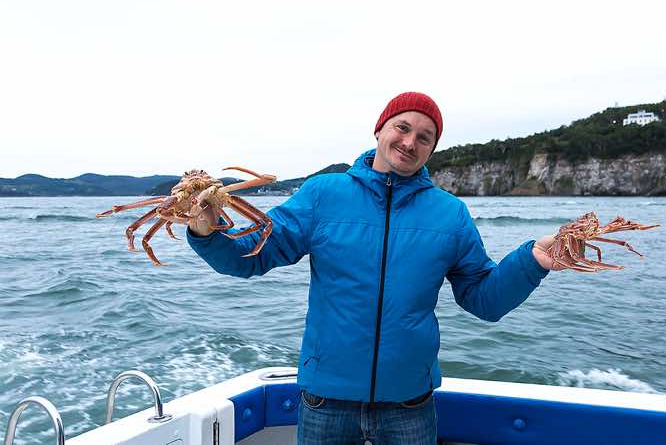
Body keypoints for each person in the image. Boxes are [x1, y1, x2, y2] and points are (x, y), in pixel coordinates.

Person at [187, 92, 559, 445]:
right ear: (379, 129)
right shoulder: (322, 194)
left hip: (410, 403)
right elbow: (250, 256)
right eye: (403, 127)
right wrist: (207, 233)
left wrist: (530, 262)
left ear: (432, 149)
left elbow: (484, 299)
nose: (411, 142)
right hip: (326, 399)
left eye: (425, 137)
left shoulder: (450, 213)